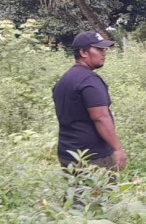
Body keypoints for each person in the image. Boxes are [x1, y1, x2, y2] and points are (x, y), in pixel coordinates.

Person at [52, 30, 127, 171]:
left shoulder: (64, 80)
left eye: (104, 49)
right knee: (101, 186)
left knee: (76, 186)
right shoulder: (89, 81)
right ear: (83, 52)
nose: (104, 53)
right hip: (92, 158)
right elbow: (100, 117)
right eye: (99, 49)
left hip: (67, 155)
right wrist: (117, 149)